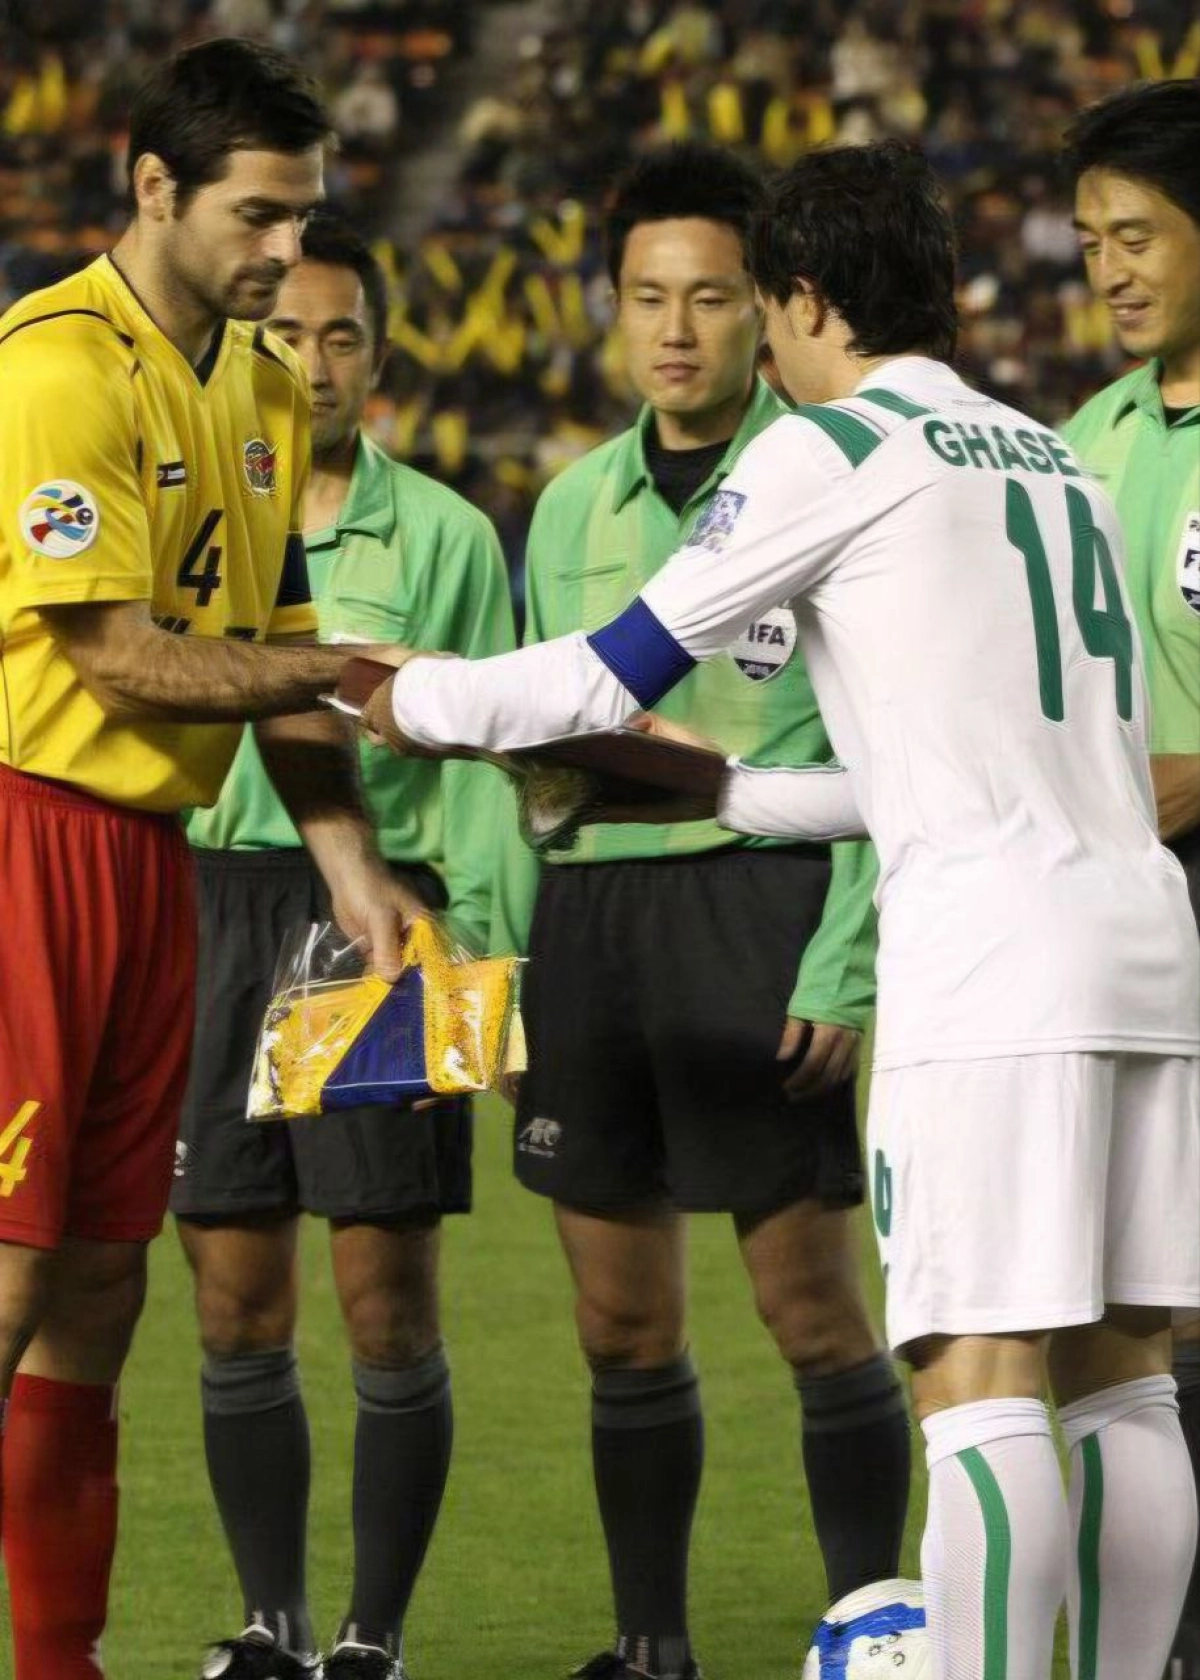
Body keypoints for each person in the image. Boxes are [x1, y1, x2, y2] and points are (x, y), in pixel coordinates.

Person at [360, 140, 1200, 1680]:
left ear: (803, 301)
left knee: (979, 1379)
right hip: (1140, 943)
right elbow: (975, 770)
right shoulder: (1055, 461)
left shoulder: (831, 448)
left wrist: (395, 695)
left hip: (991, 970)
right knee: (1124, 1375)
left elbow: (604, 670)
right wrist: (734, 795)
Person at [0, 41, 415, 1680]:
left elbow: (270, 645)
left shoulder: (257, 385)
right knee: (13, 1267)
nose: (285, 253)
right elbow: (119, 658)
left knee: (104, 1282)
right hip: (24, 833)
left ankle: (61, 1662)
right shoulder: (55, 366)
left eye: (304, 215)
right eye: (257, 215)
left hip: (146, 858)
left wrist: (351, 864)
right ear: (154, 187)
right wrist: (345, 672)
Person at [486, 140, 915, 1680]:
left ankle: (874, 1629)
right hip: (592, 927)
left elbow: (886, 748)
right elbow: (533, 767)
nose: (676, 330)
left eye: (712, 298)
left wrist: (844, 962)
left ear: (767, 308)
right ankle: (650, 1647)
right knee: (619, 1324)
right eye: (648, 298)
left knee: (811, 1311)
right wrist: (511, 964)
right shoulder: (568, 505)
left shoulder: (826, 483)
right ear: (613, 309)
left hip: (764, 904)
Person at [174, 214, 515, 1680]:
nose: (312, 364)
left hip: (376, 918)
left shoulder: (442, 535)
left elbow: (493, 765)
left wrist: (487, 962)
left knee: (385, 1302)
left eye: (341, 335)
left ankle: (374, 1638)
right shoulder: (189, 513)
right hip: (204, 908)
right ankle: (272, 1624)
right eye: (284, 335)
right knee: (233, 1296)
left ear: (378, 355)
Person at [1061, 79, 1200, 1679]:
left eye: (1139, 235)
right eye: (1091, 240)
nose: (1108, 269)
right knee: (1141, 1299)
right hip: (1121, 909)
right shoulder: (1086, 444)